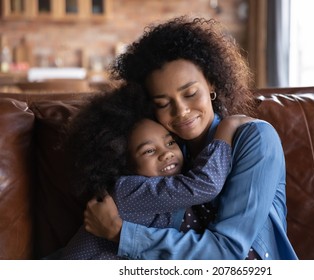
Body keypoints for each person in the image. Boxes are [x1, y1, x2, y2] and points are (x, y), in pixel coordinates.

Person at [84, 16, 298, 260]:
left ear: (212, 83)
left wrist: (120, 234)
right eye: (163, 103)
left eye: (191, 93)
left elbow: (228, 253)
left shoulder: (255, 139)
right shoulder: (165, 154)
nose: (181, 111)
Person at [61, 86, 250, 259]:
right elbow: (205, 185)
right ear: (125, 164)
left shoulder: (172, 184)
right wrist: (227, 129)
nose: (166, 153)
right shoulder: (126, 191)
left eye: (170, 143)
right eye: (149, 151)